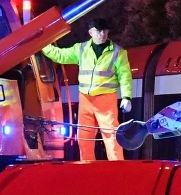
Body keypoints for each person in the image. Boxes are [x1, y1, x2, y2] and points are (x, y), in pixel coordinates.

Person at [41, 18, 132, 161]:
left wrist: (127, 97)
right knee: (84, 137)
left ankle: (117, 167)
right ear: (91, 32)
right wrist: (42, 45)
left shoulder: (118, 52)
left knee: (111, 135)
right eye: (99, 31)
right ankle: (87, 167)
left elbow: (125, 76)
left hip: (106, 99)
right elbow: (60, 55)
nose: (102, 34)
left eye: (105, 31)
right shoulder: (81, 49)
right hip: (85, 100)